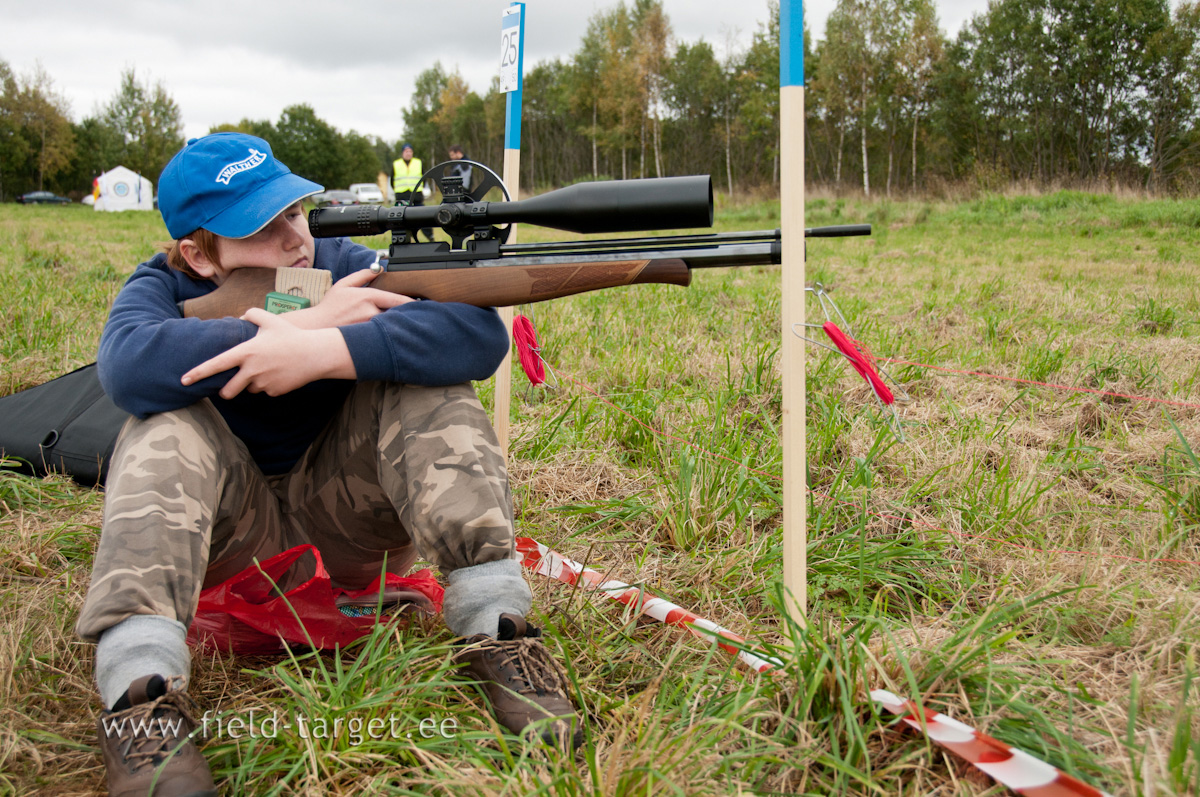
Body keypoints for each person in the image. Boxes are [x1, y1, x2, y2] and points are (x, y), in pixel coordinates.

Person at [78, 132, 580, 797]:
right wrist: (302, 323)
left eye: (293, 210)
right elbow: (129, 366)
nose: (294, 239)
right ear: (199, 255)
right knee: (159, 424)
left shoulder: (344, 258)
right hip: (234, 546)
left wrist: (328, 351)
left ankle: (500, 629)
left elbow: (473, 334)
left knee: (426, 382)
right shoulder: (160, 285)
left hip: (347, 529)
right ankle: (141, 696)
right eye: (262, 227)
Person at [392, 142, 434, 241]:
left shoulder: (418, 163)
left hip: (417, 196)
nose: (408, 153)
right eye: (406, 151)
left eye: (410, 151)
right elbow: (392, 180)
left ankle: (430, 237)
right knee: (403, 220)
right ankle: (406, 238)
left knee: (424, 217)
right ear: (402, 153)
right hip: (402, 196)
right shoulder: (396, 164)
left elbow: (424, 177)